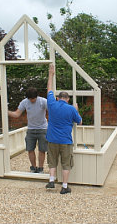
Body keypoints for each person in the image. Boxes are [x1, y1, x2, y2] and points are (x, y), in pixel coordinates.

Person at [45, 64, 82, 194]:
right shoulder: (71, 108)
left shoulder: (51, 103)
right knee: (66, 163)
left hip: (52, 139)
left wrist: (51, 74)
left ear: (58, 98)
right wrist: (76, 110)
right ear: (68, 99)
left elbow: (49, 88)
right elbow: (80, 122)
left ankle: (51, 180)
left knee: (52, 160)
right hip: (65, 141)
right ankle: (64, 187)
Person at [8, 87, 48, 173]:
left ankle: (40, 168)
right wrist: (6, 111)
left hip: (43, 128)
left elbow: (53, 110)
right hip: (31, 129)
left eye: (33, 98)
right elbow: (17, 114)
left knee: (42, 149)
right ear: (27, 98)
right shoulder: (25, 102)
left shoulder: (43, 101)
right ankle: (33, 167)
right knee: (30, 149)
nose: (32, 100)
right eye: (30, 99)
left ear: (36, 96)